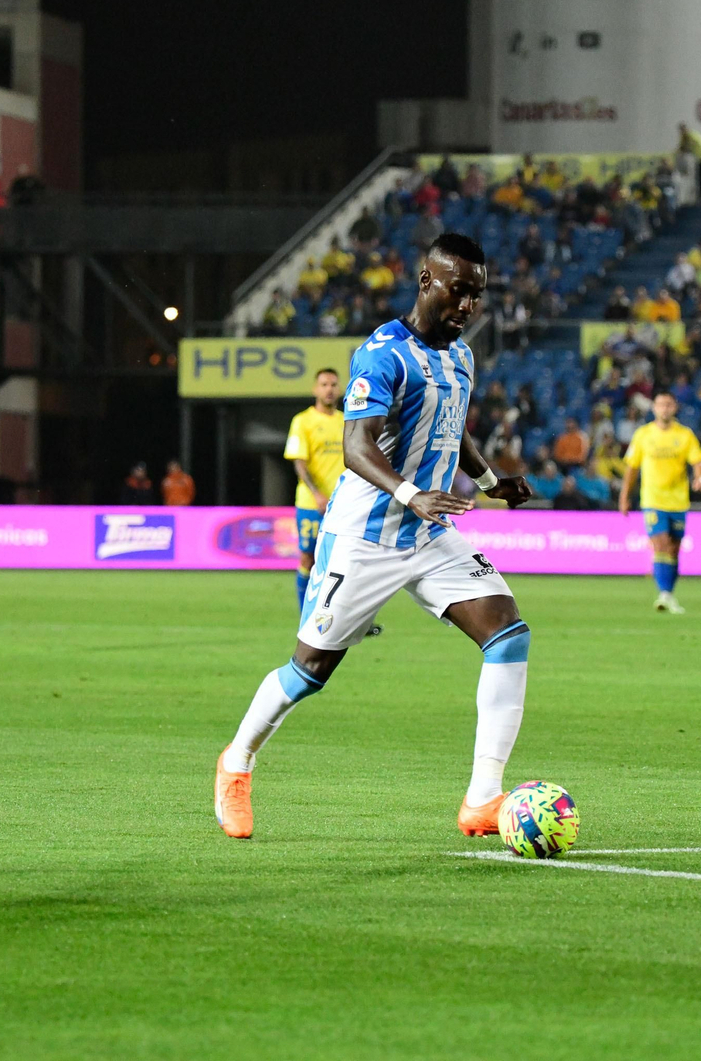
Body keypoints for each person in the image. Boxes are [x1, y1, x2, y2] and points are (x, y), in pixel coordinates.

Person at [213, 233, 535, 842]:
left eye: (477, 294)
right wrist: (412, 492)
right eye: (457, 290)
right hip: (365, 535)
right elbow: (355, 447)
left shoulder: (461, 357)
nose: (468, 306)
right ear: (426, 282)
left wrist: (490, 480)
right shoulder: (383, 354)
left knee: (509, 637)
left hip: (430, 533)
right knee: (309, 670)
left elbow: (454, 426)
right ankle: (236, 762)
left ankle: (482, 799)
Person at [619, 391, 701, 614]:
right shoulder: (643, 435)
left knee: (674, 550)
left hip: (678, 501)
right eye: (660, 405)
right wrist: (624, 497)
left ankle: (668, 592)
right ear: (654, 408)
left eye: (668, 405)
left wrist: (700, 477)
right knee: (660, 544)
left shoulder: (684, 435)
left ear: (674, 408)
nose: (664, 409)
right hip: (653, 500)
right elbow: (632, 468)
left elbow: (698, 461)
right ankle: (664, 594)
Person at [284, 369, 345, 612]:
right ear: (315, 389)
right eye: (324, 384)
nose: (329, 389)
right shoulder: (303, 421)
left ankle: (339, 616)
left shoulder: (346, 420)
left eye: (333, 384)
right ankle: (305, 616)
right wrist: (318, 493)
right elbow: (299, 461)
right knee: (308, 558)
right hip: (312, 503)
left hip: (342, 505)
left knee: (343, 561)